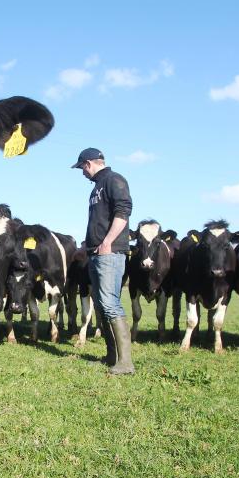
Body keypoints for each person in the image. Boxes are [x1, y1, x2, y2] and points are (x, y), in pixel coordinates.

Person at [71, 147, 135, 375]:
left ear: (89, 163)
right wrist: (85, 248)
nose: (82, 173)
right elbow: (97, 222)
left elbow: (123, 211)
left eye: (81, 168)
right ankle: (111, 356)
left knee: (109, 303)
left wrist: (107, 242)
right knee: (100, 305)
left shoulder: (114, 180)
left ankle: (126, 363)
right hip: (95, 253)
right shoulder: (97, 187)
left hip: (110, 253)